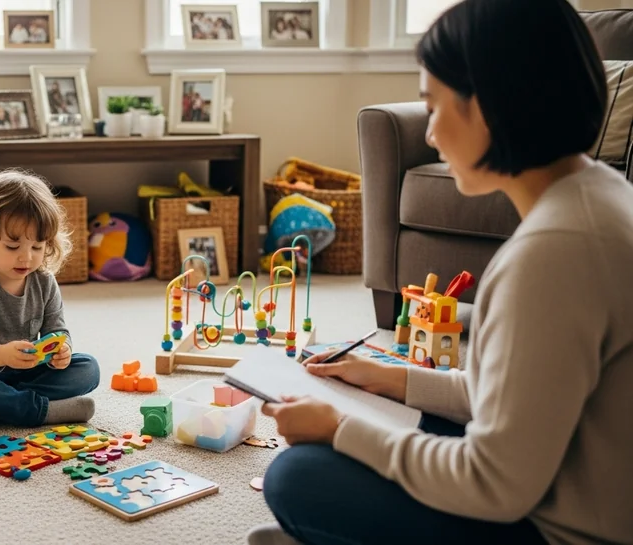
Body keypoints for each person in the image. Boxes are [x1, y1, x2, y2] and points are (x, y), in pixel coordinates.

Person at [249, 1, 633, 544]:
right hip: (570, 478)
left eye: (433, 106)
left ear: (489, 104)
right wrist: (390, 378)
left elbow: (496, 484)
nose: (428, 134)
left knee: (296, 476)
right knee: (414, 417)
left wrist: (340, 430)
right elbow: (513, 397)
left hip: (563, 530)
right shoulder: (598, 198)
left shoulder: (553, 255)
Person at [0, 170, 100, 430]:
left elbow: (57, 330)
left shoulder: (45, 282)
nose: (26, 258)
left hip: (29, 370)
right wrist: (0, 354)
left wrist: (62, 351)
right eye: (12, 247)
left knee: (88, 368)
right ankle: (40, 411)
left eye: (37, 247)